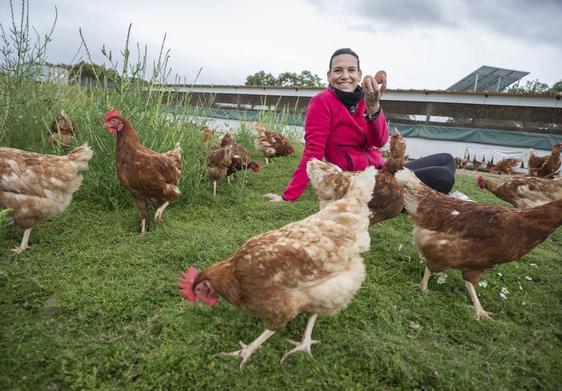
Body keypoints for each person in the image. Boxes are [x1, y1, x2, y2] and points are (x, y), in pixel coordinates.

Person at [266, 48, 456, 202]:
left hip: (380, 171)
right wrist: (288, 196)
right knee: (442, 177)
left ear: (359, 73)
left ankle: (402, 197)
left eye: (351, 70)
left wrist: (374, 107)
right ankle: (397, 202)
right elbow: (312, 152)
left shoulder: (367, 98)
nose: (344, 76)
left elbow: (380, 141)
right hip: (355, 180)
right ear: (328, 75)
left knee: (447, 160)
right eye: (338, 70)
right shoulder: (321, 102)